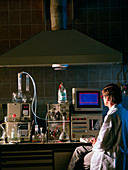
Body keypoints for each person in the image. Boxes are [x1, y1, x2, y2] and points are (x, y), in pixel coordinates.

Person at [68, 83, 128, 170]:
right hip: (120, 154)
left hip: (109, 156)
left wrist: (96, 143)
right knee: (79, 150)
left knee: (82, 158)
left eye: (103, 97)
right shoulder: (125, 113)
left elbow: (103, 145)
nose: (103, 99)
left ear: (107, 98)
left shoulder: (112, 116)